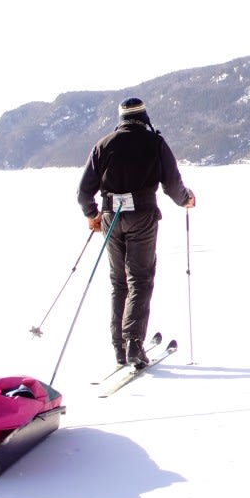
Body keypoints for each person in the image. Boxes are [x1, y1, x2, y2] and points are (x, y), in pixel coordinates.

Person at [77, 97, 195, 367]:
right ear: (144, 116)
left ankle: (119, 347)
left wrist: (93, 215)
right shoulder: (155, 143)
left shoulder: (103, 145)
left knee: (118, 281)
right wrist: (186, 198)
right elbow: (173, 185)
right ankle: (133, 344)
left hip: (110, 218)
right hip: (142, 217)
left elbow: (83, 192)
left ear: (121, 118)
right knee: (140, 279)